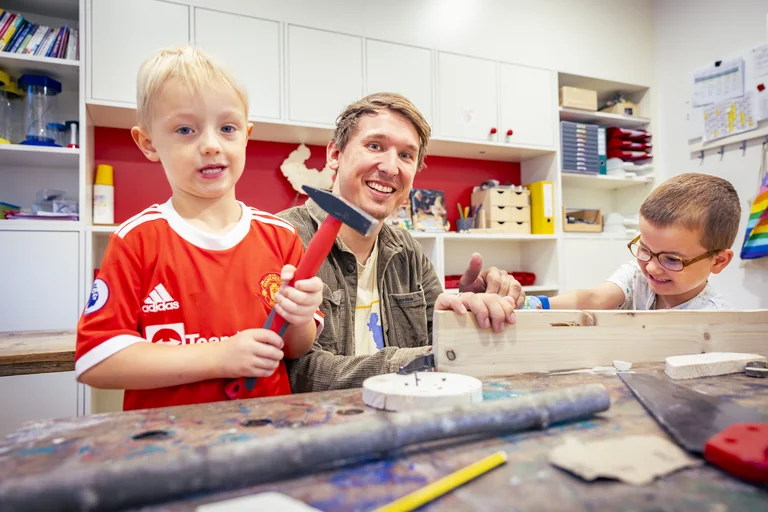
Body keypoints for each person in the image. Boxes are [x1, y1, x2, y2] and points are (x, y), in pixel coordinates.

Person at [74, 46, 324, 410]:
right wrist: (219, 357)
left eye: (227, 128)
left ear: (246, 135)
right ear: (148, 142)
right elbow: (95, 360)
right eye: (185, 129)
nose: (210, 145)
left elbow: (294, 347)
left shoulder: (282, 236)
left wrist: (300, 317)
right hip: (167, 449)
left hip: (266, 439)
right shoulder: (136, 241)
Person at [279, 93, 525, 392]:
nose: (391, 167)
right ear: (334, 154)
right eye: (375, 146)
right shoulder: (281, 237)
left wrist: (470, 314)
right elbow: (294, 371)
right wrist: (421, 362)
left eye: (406, 155)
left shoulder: (406, 249)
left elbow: (442, 337)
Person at [544, 173, 739, 311]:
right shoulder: (637, 279)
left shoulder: (718, 320)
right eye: (644, 249)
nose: (652, 269)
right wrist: (529, 304)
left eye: (671, 259)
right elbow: (593, 299)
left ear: (718, 261)